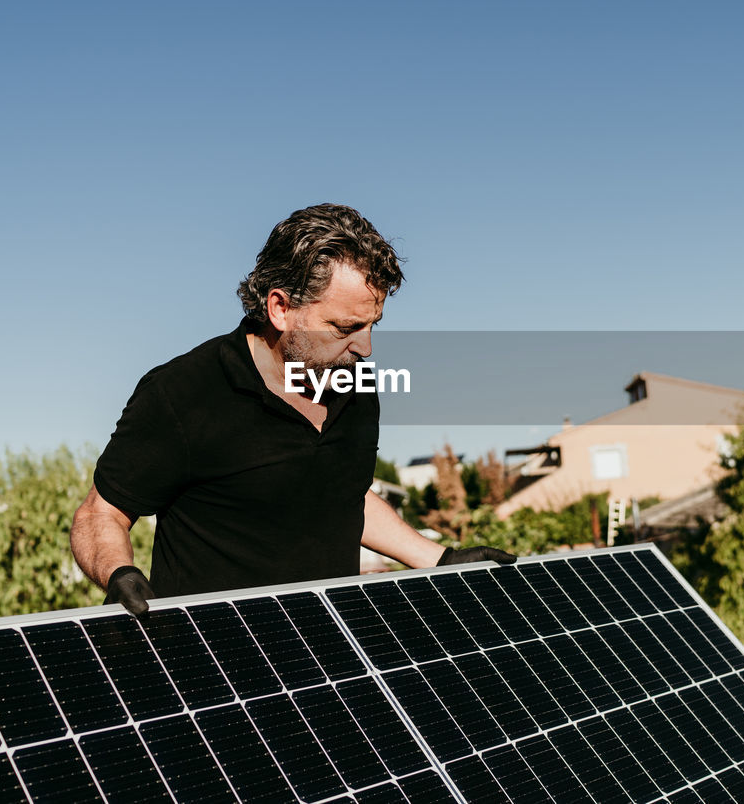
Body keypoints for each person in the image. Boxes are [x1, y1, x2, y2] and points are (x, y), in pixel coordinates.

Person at [70, 203, 515, 615]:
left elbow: (342, 492)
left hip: (327, 660)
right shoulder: (182, 391)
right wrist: (119, 574)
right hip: (212, 668)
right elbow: (100, 513)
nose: (365, 347)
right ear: (281, 308)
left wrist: (439, 558)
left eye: (372, 325)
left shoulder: (353, 382)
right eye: (345, 327)